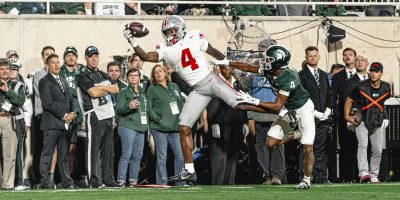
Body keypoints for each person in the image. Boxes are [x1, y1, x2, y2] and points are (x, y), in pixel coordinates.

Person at [123, 15, 265, 183]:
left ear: (181, 28)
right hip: (197, 90)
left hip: (211, 80)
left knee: (241, 104)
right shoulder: (164, 47)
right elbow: (146, 57)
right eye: (166, 32)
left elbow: (213, 51)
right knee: (183, 127)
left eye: (172, 31)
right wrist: (132, 41)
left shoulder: (194, 36)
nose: (169, 34)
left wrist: (224, 62)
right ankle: (189, 170)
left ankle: (276, 108)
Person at [214, 45, 316, 189]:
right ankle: (297, 134)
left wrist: (253, 101)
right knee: (270, 143)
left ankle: (306, 181)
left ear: (279, 61)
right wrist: (228, 62)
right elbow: (248, 68)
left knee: (307, 147)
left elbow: (276, 106)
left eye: (270, 59)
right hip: (289, 111)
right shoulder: (271, 70)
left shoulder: (289, 76)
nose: (266, 61)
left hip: (303, 109)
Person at [77, 46, 119, 188]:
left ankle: (108, 179)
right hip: (93, 113)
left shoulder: (103, 74)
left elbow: (116, 88)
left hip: (107, 112)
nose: (94, 59)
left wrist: (101, 88)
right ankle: (94, 180)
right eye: (91, 56)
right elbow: (93, 93)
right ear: (86, 58)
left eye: (96, 56)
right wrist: (105, 89)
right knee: (93, 148)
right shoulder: (83, 75)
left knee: (108, 149)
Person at [344, 62, 391, 184]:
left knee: (377, 149)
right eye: (372, 71)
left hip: (377, 121)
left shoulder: (386, 88)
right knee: (363, 145)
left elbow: (381, 103)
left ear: (381, 73)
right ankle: (363, 173)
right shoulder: (360, 86)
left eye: (377, 71)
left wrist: (385, 117)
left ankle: (374, 174)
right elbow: (349, 101)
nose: (374, 73)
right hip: (362, 119)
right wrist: (347, 116)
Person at [38, 54, 76, 189]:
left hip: (65, 124)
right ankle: (44, 182)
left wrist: (73, 113)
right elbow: (47, 103)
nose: (56, 65)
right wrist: (65, 115)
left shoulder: (64, 80)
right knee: (47, 154)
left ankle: (67, 182)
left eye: (58, 62)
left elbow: (71, 100)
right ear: (47, 66)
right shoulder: (44, 81)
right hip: (51, 124)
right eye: (53, 63)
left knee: (64, 155)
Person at [207, 64, 248, 185]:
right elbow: (211, 103)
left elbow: (244, 102)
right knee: (219, 155)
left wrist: (244, 122)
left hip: (236, 122)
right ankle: (218, 182)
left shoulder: (238, 84)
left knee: (233, 155)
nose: (226, 71)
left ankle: (229, 181)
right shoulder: (215, 83)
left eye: (228, 68)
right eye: (223, 68)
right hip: (221, 123)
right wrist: (213, 122)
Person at [298, 46, 333, 184]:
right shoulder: (301, 75)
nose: (313, 58)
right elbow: (302, 96)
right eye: (310, 56)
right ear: (306, 58)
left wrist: (328, 109)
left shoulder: (324, 75)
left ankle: (320, 177)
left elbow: (329, 94)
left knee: (320, 148)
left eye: (315, 55)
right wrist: (315, 112)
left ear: (318, 57)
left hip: (324, 117)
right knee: (307, 147)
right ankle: (305, 176)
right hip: (308, 115)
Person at [146, 64, 184, 185]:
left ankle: (180, 182)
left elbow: (181, 104)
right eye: (155, 72)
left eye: (160, 71)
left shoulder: (175, 86)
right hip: (159, 129)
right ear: (153, 76)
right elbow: (148, 107)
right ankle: (162, 182)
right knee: (162, 157)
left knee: (180, 156)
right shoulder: (152, 89)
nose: (158, 73)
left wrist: (182, 118)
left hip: (175, 128)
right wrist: (157, 119)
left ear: (165, 73)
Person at [115, 68, 147, 187]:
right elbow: (118, 109)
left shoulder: (143, 92)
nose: (133, 77)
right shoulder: (123, 91)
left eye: (136, 75)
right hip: (127, 125)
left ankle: (133, 180)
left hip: (141, 127)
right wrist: (128, 106)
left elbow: (146, 110)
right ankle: (121, 181)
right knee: (126, 154)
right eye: (131, 75)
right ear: (127, 78)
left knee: (137, 156)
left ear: (139, 78)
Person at [59, 46, 86, 185]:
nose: (71, 57)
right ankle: (61, 177)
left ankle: (71, 177)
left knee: (74, 148)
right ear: (64, 58)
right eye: (68, 55)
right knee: (64, 147)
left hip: (77, 112)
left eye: (73, 55)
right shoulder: (60, 71)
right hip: (64, 112)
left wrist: (81, 116)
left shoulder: (80, 72)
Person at [331, 47, 358, 182]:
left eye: (350, 54)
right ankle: (346, 177)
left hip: (359, 116)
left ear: (355, 57)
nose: (348, 57)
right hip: (343, 116)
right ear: (342, 58)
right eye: (345, 55)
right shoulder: (338, 77)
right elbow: (333, 96)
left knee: (360, 145)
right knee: (345, 146)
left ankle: (360, 175)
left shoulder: (361, 75)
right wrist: (336, 112)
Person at [32, 46, 55, 186]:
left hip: (55, 115)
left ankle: (50, 178)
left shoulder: (58, 75)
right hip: (43, 115)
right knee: (41, 147)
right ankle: (39, 179)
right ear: (42, 57)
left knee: (53, 149)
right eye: (47, 54)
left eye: (51, 54)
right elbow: (44, 95)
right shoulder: (39, 74)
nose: (49, 57)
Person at [0, 58, 25, 189]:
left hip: (10, 119)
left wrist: (7, 91)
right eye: (1, 69)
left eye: (7, 69)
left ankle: (7, 184)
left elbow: (20, 100)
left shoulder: (18, 85)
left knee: (9, 154)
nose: (4, 72)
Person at [8, 58, 31, 191]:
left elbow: (27, 106)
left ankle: (18, 181)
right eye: (11, 68)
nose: (12, 71)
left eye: (15, 69)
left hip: (18, 119)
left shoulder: (21, 86)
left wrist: (27, 122)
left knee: (18, 153)